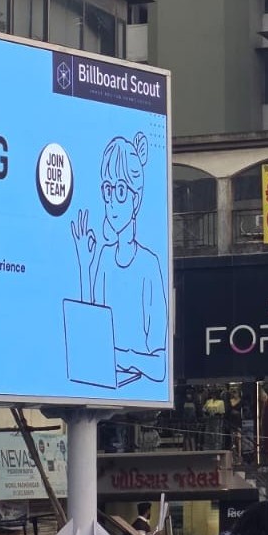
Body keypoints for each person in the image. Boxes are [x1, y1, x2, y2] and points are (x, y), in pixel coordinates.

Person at [71, 133, 167, 382]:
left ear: (136, 199)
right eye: (108, 189)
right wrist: (85, 266)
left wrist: (123, 358)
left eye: (121, 190)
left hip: (134, 383)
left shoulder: (149, 264)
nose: (112, 201)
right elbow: (91, 330)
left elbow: (160, 366)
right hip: (104, 379)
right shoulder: (104, 256)